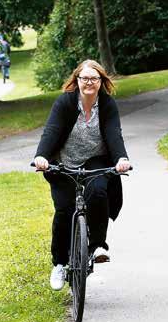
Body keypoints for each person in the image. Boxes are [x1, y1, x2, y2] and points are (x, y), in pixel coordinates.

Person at [33, 59, 131, 291]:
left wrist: (121, 159)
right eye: (84, 78)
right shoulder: (66, 103)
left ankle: (97, 246)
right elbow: (52, 130)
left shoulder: (107, 105)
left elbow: (113, 133)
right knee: (65, 210)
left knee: (98, 192)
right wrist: (42, 156)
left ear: (101, 82)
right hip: (63, 163)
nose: (89, 82)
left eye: (94, 79)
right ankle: (59, 263)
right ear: (76, 81)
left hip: (95, 160)